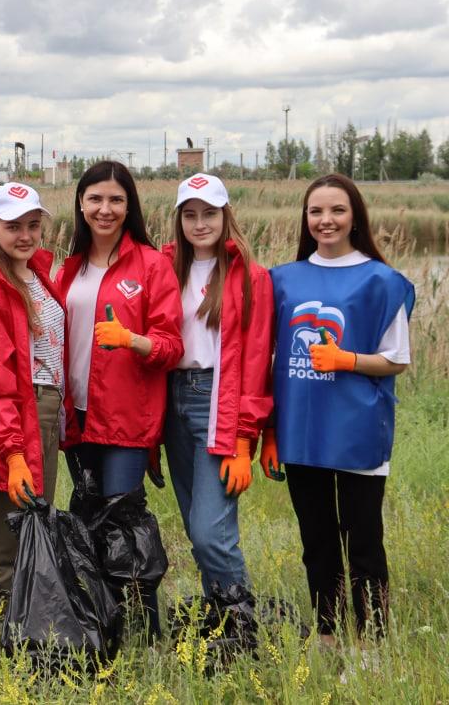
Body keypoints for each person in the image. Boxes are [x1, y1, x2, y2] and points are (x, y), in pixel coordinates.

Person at [264, 173, 414, 645]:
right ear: (305, 219)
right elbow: (267, 361)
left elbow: (397, 359)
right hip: (302, 432)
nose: (326, 220)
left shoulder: (382, 281)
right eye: (316, 211)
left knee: (363, 543)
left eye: (337, 211)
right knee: (318, 543)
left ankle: (371, 643)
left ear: (355, 218)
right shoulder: (281, 280)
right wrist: (268, 431)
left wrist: (346, 360)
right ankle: (328, 637)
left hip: (358, 431)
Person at [54, 160, 182, 635]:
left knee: (125, 521)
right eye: (95, 199)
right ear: (81, 204)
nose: (105, 209)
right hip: (80, 415)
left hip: (127, 418)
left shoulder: (152, 265)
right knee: (88, 518)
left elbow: (171, 346)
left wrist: (132, 340)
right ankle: (103, 626)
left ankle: (144, 633)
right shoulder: (69, 268)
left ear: (130, 207)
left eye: (115, 200)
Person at [158, 174, 272, 606]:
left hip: (216, 400)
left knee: (210, 531)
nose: (200, 223)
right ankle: (218, 618)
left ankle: (240, 623)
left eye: (209, 213)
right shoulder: (165, 267)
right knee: (194, 524)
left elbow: (258, 359)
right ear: (179, 220)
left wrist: (245, 438)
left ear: (226, 216)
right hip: (173, 399)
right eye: (190, 215)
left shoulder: (250, 277)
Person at [0, 183, 64, 603]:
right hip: (14, 419)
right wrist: (13, 452)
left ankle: (27, 623)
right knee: (1, 537)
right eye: (13, 226)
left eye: (33, 225)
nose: (25, 235)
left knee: (32, 523)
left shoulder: (35, 275)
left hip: (45, 410)